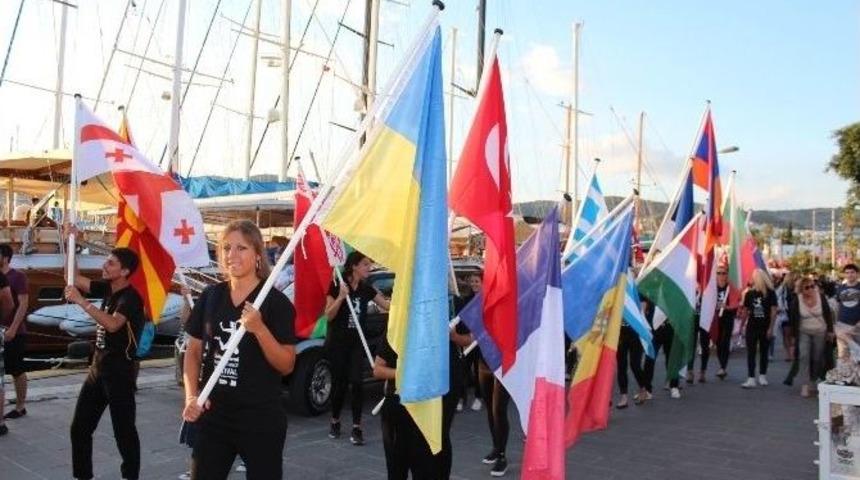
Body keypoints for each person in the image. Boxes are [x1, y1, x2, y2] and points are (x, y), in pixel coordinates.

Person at [182, 220, 296, 479]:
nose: (232, 255)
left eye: (241, 248)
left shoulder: (276, 303)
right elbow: (194, 351)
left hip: (260, 417)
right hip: (215, 415)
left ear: (258, 255)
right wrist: (191, 397)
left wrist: (260, 329)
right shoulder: (211, 296)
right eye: (226, 247)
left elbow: (287, 364)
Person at [65, 244, 145, 480]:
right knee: (79, 428)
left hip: (119, 372)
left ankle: (130, 476)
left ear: (125, 271)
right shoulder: (108, 288)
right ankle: (83, 476)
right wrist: (72, 242)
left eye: (111, 263)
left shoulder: (130, 298)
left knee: (124, 432)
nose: (104, 266)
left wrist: (82, 302)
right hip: (98, 369)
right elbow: (73, 278)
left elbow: (113, 324)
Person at [323, 251, 390, 446]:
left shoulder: (366, 288)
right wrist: (341, 297)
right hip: (337, 343)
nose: (369, 268)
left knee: (357, 383)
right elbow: (329, 315)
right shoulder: (337, 286)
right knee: (340, 385)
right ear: (354, 266)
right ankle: (335, 420)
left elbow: (386, 305)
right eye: (365, 265)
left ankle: (356, 427)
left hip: (356, 344)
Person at [373, 338, 437, 479]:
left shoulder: (431, 332)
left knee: (424, 469)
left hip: (425, 408)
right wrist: (403, 374)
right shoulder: (395, 330)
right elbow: (378, 369)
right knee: (396, 469)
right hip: (397, 406)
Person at [785, 276, 834, 396]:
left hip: (820, 331)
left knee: (817, 358)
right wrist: (792, 338)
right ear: (801, 289)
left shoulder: (820, 297)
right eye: (807, 287)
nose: (811, 289)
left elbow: (827, 314)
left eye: (813, 286)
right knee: (804, 356)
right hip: (804, 331)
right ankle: (805, 385)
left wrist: (830, 331)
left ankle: (813, 379)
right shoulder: (797, 300)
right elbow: (793, 320)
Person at [0, 244, 28, 419]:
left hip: (14, 332)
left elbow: (23, 304)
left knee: (16, 369)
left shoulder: (17, 276)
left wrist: (13, 328)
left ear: (5, 257)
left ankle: (20, 406)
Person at [740, 269, 778, 388]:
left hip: (765, 326)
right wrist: (742, 326)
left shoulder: (771, 293)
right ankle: (751, 378)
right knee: (751, 352)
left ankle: (762, 375)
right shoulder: (749, 294)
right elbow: (745, 311)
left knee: (763, 351)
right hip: (752, 326)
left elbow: (773, 311)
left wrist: (771, 328)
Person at [453, 272, 483, 412]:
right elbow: (462, 320)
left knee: (479, 370)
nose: (474, 284)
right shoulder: (466, 300)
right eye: (472, 281)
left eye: (477, 281)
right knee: (463, 370)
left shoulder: (487, 299)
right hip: (468, 339)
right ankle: (461, 398)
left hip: (482, 341)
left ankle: (478, 397)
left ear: (482, 283)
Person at [616, 316, 648, 408]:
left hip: (635, 333)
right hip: (619, 333)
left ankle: (643, 388)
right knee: (621, 366)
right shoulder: (614, 300)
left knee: (635, 365)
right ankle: (624, 397)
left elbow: (641, 311)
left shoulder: (636, 300)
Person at [714, 266, 739, 380]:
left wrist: (727, 307)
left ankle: (723, 367)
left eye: (723, 273)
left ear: (727, 274)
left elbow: (736, 303)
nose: (721, 275)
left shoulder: (731, 287)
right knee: (718, 341)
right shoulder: (713, 287)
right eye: (719, 273)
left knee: (725, 340)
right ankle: (721, 365)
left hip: (728, 317)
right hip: (716, 318)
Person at [835, 264, 860, 359]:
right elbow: (838, 305)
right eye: (847, 273)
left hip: (858, 326)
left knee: (858, 356)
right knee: (843, 354)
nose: (850, 275)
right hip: (843, 324)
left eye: (852, 272)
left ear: (857, 274)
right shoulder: (840, 288)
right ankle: (844, 373)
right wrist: (837, 321)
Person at [777, 271, 798, 362]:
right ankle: (789, 354)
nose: (797, 281)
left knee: (794, 335)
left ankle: (792, 353)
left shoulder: (798, 289)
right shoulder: (783, 289)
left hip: (796, 315)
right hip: (786, 314)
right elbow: (777, 298)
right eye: (796, 279)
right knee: (787, 335)